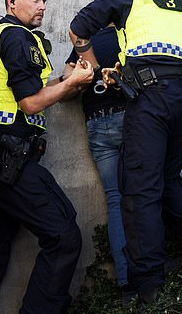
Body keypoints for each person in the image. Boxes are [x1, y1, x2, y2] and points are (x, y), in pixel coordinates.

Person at [69, 0, 182, 305]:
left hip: (151, 101)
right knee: (167, 182)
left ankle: (147, 285)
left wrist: (97, 69)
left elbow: (79, 27)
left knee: (139, 189)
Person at [0, 0, 94, 314]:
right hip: (8, 157)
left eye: (44, 0)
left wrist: (69, 77)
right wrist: (70, 83)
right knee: (63, 236)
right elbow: (30, 103)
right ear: (11, 1)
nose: (42, 6)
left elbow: (33, 92)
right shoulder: (18, 37)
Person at [63, 26, 133, 301]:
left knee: (115, 199)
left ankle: (126, 282)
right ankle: (149, 270)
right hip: (128, 120)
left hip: (96, 123)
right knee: (143, 195)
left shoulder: (85, 43)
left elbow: (69, 84)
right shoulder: (130, 34)